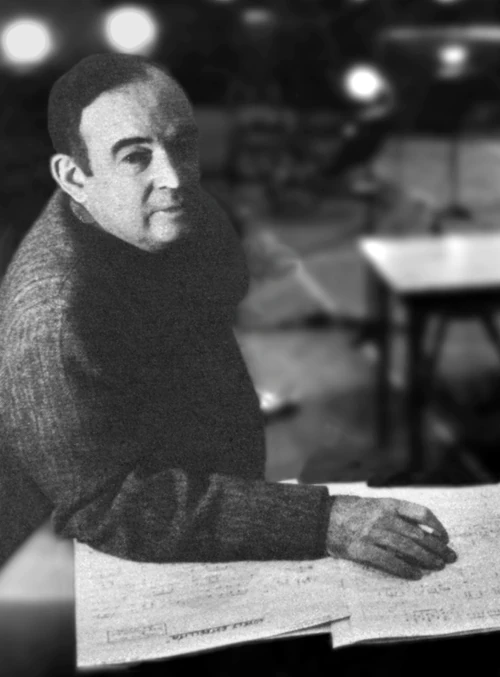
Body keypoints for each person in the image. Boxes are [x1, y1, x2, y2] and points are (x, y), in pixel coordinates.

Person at [0, 53, 457, 581]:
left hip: (197, 498)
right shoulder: (52, 317)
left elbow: (225, 289)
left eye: (181, 145)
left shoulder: (177, 215)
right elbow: (110, 506)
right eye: (134, 157)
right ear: (75, 177)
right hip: (55, 565)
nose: (174, 177)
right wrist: (325, 521)